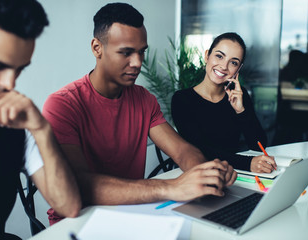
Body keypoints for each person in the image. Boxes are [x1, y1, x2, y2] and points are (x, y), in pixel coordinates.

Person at [42, 3, 236, 224]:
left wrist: (207, 174)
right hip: (77, 222)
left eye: (141, 52)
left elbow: (181, 151)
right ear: (97, 48)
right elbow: (80, 185)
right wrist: (172, 187)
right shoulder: (62, 104)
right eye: (125, 52)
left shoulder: (144, 99)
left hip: (131, 214)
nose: (137, 63)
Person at [0, 0, 81, 239]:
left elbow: (68, 205)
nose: (10, 84)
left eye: (19, 69)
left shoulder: (14, 126)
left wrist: (41, 129)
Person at [171, 32, 277, 173]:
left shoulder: (239, 95)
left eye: (233, 62)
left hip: (235, 174)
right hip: (198, 176)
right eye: (219, 56)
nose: (224, 66)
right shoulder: (182, 99)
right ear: (207, 55)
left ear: (238, 69)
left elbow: (259, 146)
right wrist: (248, 163)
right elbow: (198, 151)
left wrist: (241, 111)